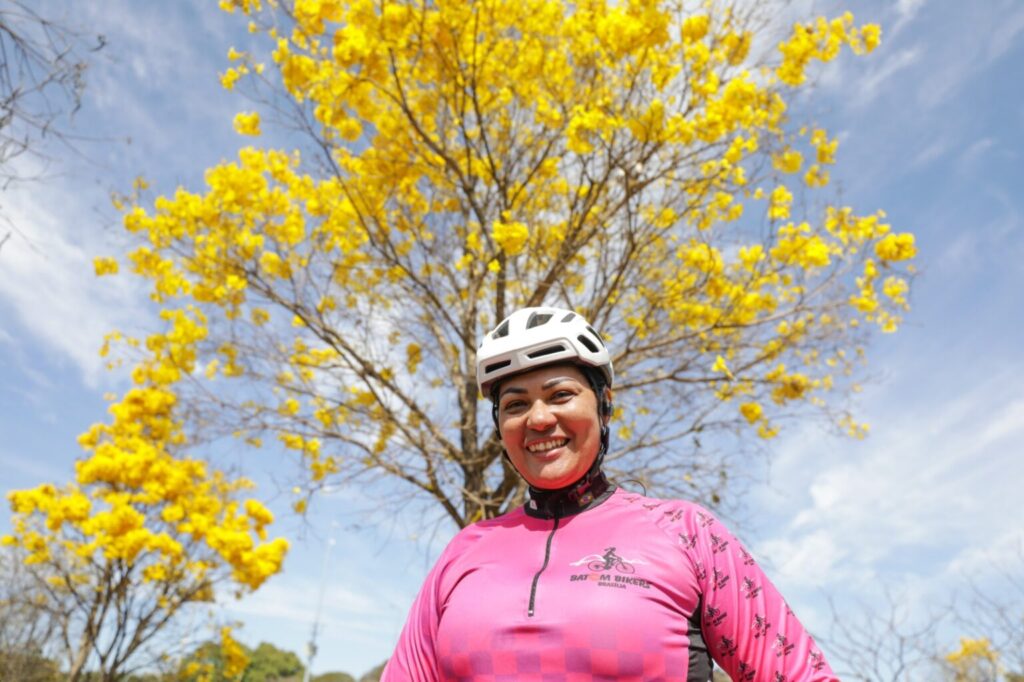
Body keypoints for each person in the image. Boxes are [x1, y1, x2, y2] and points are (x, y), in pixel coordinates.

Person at [382, 306, 838, 681]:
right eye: (516, 404)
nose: (538, 419)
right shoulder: (465, 550)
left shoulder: (687, 532)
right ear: (501, 429)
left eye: (560, 395)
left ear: (604, 409)